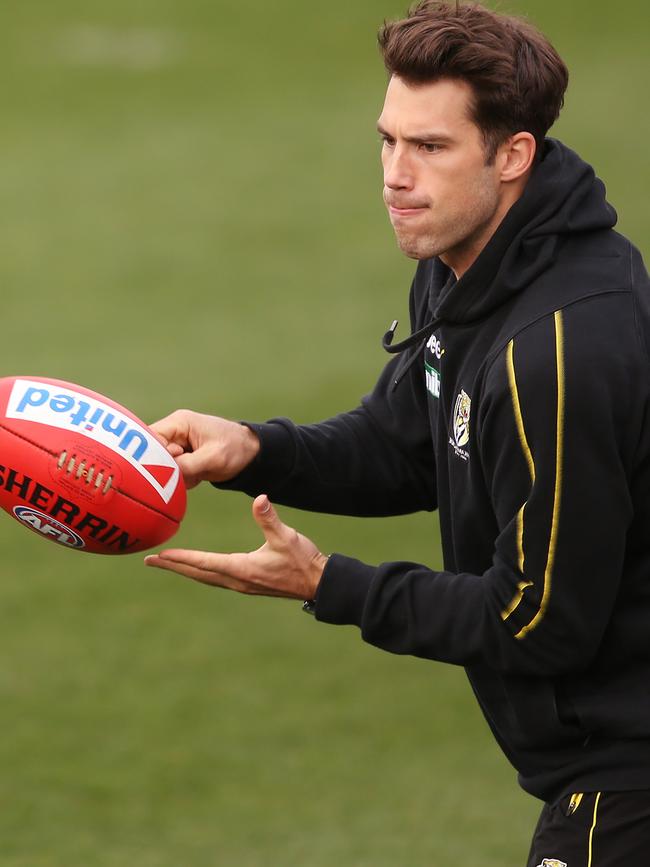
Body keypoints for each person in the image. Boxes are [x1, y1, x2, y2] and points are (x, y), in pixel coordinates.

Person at [145, 1, 650, 862]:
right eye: (388, 139)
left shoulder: (560, 348)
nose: (394, 173)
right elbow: (405, 444)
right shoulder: (469, 264)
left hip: (627, 767)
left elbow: (537, 619)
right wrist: (256, 449)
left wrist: (325, 583)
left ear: (514, 153)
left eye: (431, 147)